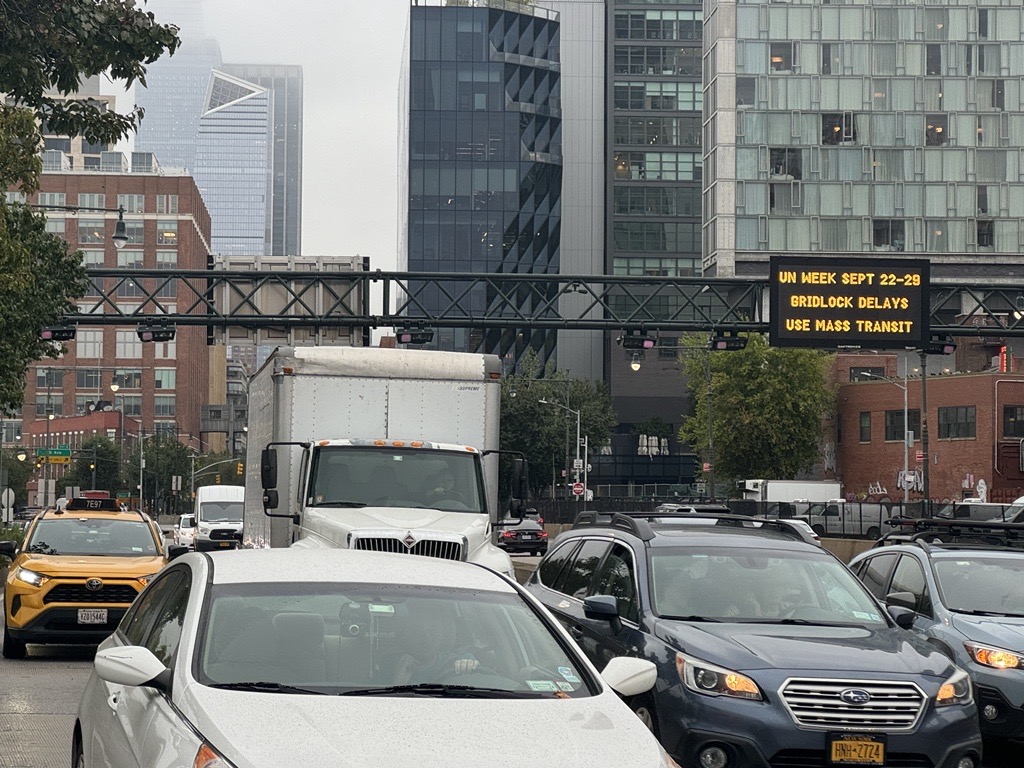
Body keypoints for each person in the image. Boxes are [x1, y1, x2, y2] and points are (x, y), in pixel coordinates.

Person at [391, 606, 479, 684]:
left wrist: (469, 666)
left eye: (432, 631)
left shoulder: (458, 662)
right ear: (406, 635)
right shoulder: (389, 667)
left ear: (442, 635)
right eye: (418, 632)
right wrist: (397, 684)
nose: (426, 639)